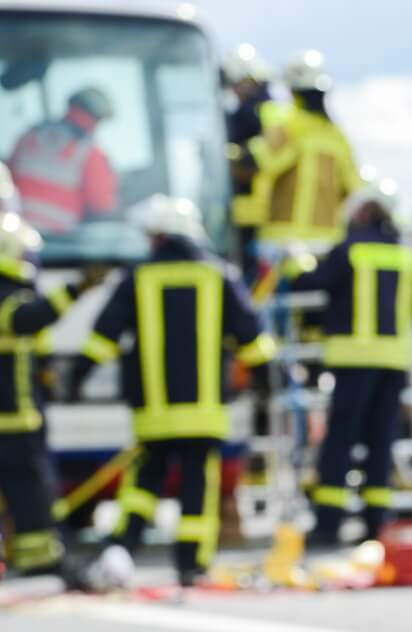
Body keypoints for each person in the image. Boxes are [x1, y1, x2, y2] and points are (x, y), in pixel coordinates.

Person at [70, 195, 275, 585]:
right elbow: (254, 340)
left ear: (161, 236)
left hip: (154, 412)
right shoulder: (220, 275)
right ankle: (190, 564)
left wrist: (76, 377)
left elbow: (103, 337)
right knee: (197, 488)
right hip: (205, 411)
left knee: (144, 483)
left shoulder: (137, 278)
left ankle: (123, 549)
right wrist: (265, 383)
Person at [286, 185, 412, 545]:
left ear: (362, 212)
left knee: (339, 442)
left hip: (353, 361)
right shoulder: (406, 255)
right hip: (393, 363)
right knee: (380, 442)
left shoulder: (350, 250)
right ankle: (377, 526)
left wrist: (297, 263)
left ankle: (328, 524)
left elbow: (311, 283)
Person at [0, 190, 90, 587]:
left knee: (30, 489)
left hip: (20, 413)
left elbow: (34, 346)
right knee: (28, 488)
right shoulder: (7, 298)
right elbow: (27, 319)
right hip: (11, 418)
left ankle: (34, 555)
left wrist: (50, 374)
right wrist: (74, 291)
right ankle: (37, 557)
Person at [248, 50, 360, 245]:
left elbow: (256, 163)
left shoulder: (287, 125)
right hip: (326, 244)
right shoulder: (338, 137)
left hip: (281, 241)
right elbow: (353, 190)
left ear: (292, 89)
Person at [8, 87, 118, 234]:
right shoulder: (89, 151)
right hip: (59, 242)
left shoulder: (29, 136)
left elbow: (6, 179)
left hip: (15, 234)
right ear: (95, 117)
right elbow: (102, 205)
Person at [222, 43, 273, 280]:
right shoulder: (276, 111)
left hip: (249, 213)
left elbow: (248, 160)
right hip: (270, 216)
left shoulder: (248, 114)